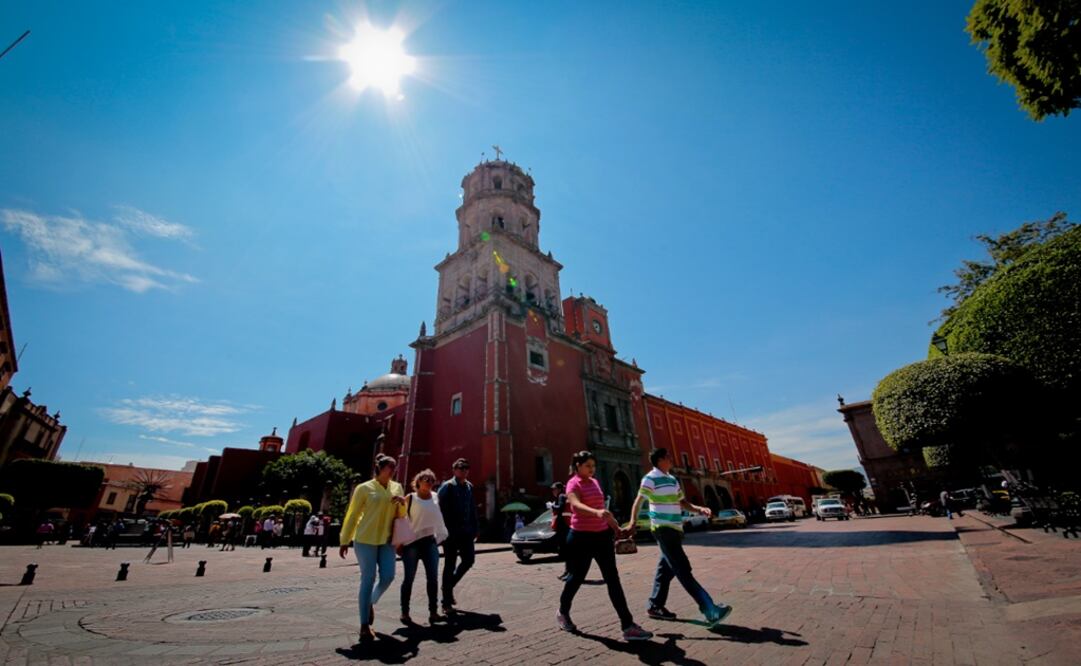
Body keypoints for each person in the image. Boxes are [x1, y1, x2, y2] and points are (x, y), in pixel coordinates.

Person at [626, 448, 732, 626]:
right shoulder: (650, 478)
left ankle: (655, 605)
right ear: (660, 460)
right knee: (683, 569)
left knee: (665, 569)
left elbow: (682, 503)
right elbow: (639, 500)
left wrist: (699, 509)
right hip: (663, 528)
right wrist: (632, 522)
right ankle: (709, 609)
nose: (671, 459)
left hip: (675, 530)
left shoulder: (672, 479)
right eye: (668, 457)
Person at [557, 450, 652, 641]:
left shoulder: (594, 481)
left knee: (613, 579)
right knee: (576, 578)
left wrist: (617, 528)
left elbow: (604, 511)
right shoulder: (573, 483)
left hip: (602, 536)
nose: (591, 470)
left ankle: (627, 625)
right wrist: (596, 512)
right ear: (577, 466)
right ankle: (563, 612)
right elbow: (575, 505)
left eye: (593, 466)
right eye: (587, 466)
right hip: (581, 538)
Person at [339, 454, 406, 643]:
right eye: (389, 467)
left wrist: (402, 504)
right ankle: (363, 625)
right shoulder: (364, 488)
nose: (392, 470)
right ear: (380, 468)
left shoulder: (397, 487)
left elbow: (400, 515)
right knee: (368, 578)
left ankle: (368, 603)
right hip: (365, 539)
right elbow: (353, 514)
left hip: (386, 540)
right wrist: (345, 539)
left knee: (388, 576)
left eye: (394, 467)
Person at [399, 469, 449, 626]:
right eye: (425, 479)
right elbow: (401, 518)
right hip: (412, 543)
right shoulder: (410, 498)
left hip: (429, 542)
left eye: (431, 480)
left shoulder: (435, 497)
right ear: (418, 481)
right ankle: (405, 612)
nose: (428, 481)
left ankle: (433, 612)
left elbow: (438, 517)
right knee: (409, 578)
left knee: (432, 578)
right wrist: (398, 542)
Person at [438, 458, 479, 614]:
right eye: (461, 468)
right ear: (454, 470)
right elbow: (439, 510)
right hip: (451, 533)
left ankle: (448, 587)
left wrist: (476, 528)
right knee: (450, 564)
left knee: (469, 560)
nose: (464, 470)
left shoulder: (469, 487)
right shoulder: (447, 487)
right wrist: (442, 531)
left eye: (466, 468)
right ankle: (446, 601)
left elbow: (472, 509)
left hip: (466, 532)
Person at [547, 481, 572, 581]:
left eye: (554, 489)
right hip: (564, 527)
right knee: (566, 552)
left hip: (564, 528)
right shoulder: (561, 496)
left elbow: (560, 508)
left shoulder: (561, 496)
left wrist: (551, 506)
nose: (553, 491)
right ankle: (567, 572)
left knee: (566, 552)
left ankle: (569, 573)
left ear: (559, 489)